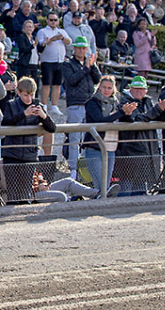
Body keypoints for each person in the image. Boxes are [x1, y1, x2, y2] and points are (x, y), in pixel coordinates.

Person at [0, 77, 56, 202]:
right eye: (25, 95)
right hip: (12, 154)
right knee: (13, 194)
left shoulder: (38, 106)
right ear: (18, 93)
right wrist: (24, 114)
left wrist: (44, 116)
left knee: (25, 194)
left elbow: (52, 128)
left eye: (31, 95)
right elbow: (5, 123)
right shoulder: (11, 104)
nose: (29, 99)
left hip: (30, 155)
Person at [116, 76, 165, 196]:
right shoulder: (124, 102)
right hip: (129, 154)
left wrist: (164, 111)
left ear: (146, 90)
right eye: (136, 88)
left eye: (142, 89)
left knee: (141, 192)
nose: (139, 91)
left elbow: (157, 118)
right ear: (130, 88)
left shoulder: (148, 101)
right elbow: (139, 119)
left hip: (147, 153)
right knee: (126, 190)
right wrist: (158, 109)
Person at [82, 75, 136, 194]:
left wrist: (128, 113)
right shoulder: (92, 102)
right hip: (94, 147)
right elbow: (100, 120)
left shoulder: (117, 103)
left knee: (105, 184)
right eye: (104, 87)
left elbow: (128, 120)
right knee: (100, 184)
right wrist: (121, 112)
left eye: (109, 88)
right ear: (99, 87)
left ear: (114, 89)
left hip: (111, 148)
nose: (106, 90)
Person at [62, 36, 100, 177]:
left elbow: (98, 79)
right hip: (75, 104)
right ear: (74, 49)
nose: (81, 50)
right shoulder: (68, 64)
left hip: (90, 104)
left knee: (88, 139)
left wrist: (93, 66)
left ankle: (85, 168)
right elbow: (71, 80)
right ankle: (73, 168)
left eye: (84, 48)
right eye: (79, 48)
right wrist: (86, 68)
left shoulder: (89, 64)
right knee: (74, 138)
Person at [36, 12, 71, 117]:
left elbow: (69, 41)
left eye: (55, 20)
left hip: (59, 61)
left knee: (57, 84)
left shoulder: (61, 31)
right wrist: (51, 40)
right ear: (47, 20)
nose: (53, 22)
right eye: (51, 20)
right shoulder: (42, 31)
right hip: (47, 61)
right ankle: (44, 104)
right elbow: (41, 45)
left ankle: (54, 105)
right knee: (46, 84)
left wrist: (62, 38)